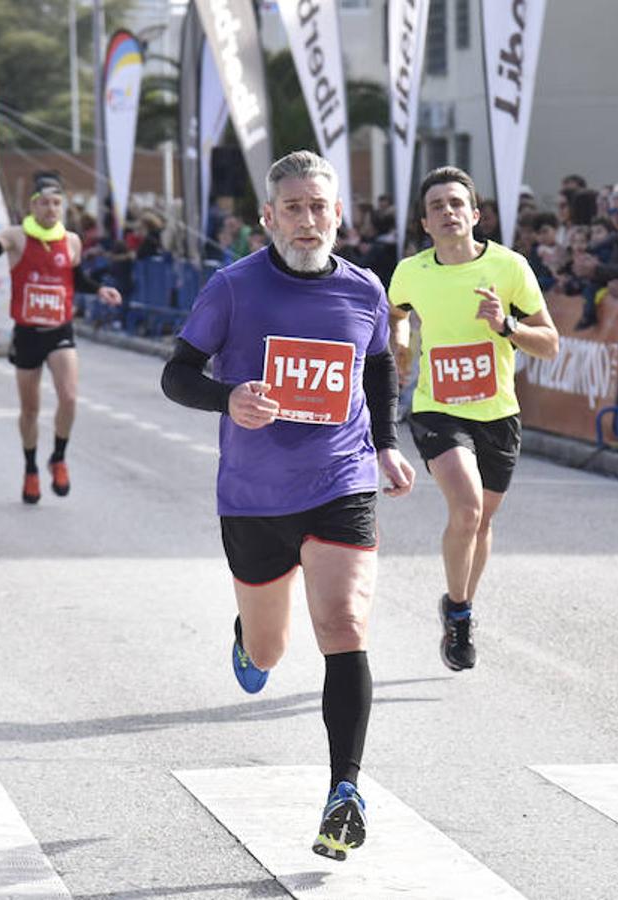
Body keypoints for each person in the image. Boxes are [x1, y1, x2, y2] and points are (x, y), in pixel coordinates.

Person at [160, 150, 415, 861]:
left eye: (320, 207)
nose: (309, 221)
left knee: (343, 622)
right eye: (294, 208)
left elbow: (381, 367)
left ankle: (345, 790)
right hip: (253, 496)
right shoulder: (233, 288)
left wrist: (387, 444)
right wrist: (226, 397)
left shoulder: (365, 289)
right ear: (269, 217)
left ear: (340, 214)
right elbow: (176, 374)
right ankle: (248, 635)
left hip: (341, 481)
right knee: (270, 650)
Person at [387, 166, 559, 672]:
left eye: (456, 203)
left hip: (498, 413)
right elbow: (395, 312)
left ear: (475, 214)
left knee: (483, 521)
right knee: (465, 509)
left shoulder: (509, 268)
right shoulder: (410, 272)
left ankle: (458, 602)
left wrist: (505, 326)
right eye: (437, 205)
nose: (448, 211)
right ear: (425, 222)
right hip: (437, 408)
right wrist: (400, 343)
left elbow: (550, 343)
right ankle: (461, 617)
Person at [0, 172, 122, 503]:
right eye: (44, 203)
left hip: (59, 329)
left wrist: (99, 289)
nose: (51, 209)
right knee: (30, 409)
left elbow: (74, 276)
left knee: (70, 397)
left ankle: (58, 457)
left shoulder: (71, 241)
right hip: (28, 333)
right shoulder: (15, 237)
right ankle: (30, 467)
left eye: (57, 203)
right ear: (32, 205)